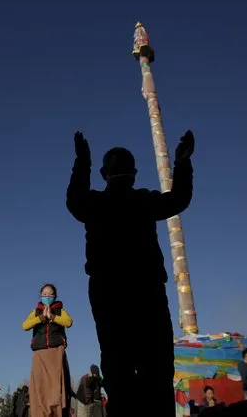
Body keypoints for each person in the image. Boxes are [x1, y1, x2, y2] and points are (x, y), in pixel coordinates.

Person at [65, 130, 194, 417]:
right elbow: (179, 199)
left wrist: (81, 161)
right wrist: (183, 162)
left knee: (118, 367)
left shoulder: (95, 204)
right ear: (134, 174)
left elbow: (74, 199)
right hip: (146, 292)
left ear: (103, 173)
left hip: (109, 293)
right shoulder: (144, 201)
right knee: (157, 368)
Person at [22, 283, 73, 417]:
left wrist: (52, 317)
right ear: (40, 296)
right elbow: (25, 326)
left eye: (50, 294)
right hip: (40, 353)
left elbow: (68, 322)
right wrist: (41, 318)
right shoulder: (35, 311)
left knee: (56, 390)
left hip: (56, 353)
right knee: (40, 389)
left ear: (55, 296)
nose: (47, 296)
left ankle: (57, 413)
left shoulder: (61, 310)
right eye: (44, 294)